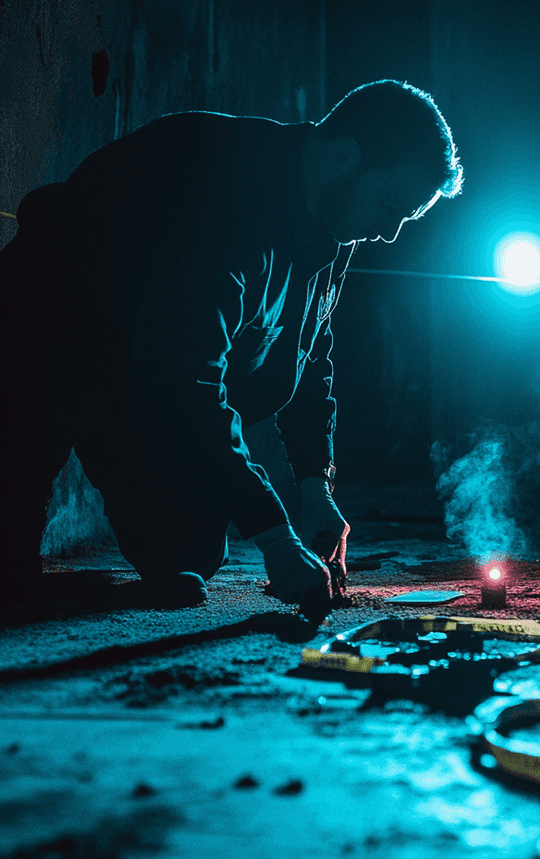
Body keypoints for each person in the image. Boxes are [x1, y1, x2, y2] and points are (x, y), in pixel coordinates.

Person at [1, 80, 462, 619]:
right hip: (47, 334)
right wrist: (276, 536)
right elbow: (183, 381)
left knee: (188, 548)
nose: (389, 233)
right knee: (9, 580)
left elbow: (310, 352)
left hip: (137, 376)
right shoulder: (224, 195)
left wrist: (315, 485)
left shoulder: (334, 221)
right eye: (389, 207)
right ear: (344, 156)